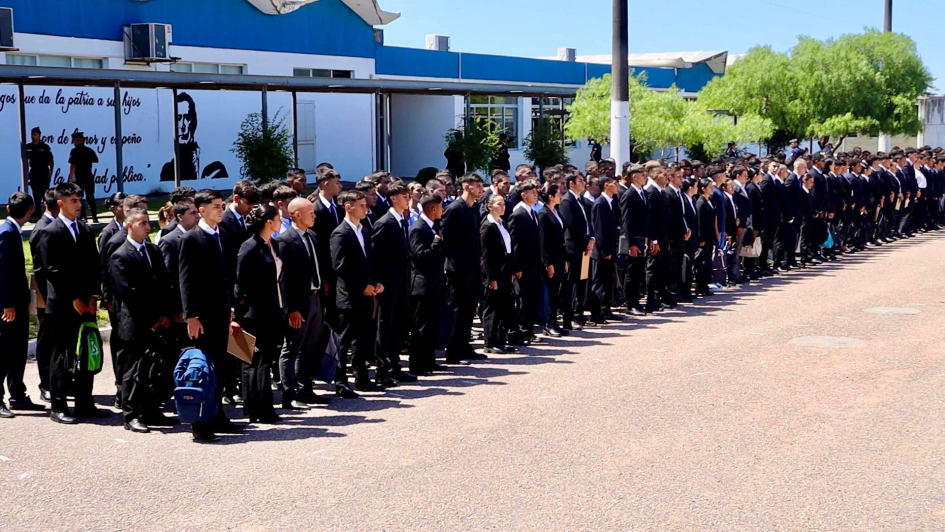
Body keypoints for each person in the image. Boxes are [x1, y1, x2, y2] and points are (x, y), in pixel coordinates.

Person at [179, 189, 242, 442]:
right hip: (202, 315)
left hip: (221, 313)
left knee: (221, 367)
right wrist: (191, 315)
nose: (220, 209)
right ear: (201, 210)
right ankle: (200, 423)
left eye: (221, 204)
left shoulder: (224, 235)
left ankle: (217, 415)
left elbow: (228, 276)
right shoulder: (192, 239)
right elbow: (186, 280)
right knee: (202, 368)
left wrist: (231, 307)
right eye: (215, 206)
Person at [38, 183, 104, 424]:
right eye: (74, 200)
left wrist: (94, 295)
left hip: (86, 304)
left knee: (86, 352)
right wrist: (74, 297)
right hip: (63, 305)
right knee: (60, 355)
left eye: (79, 200)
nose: (79, 204)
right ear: (60, 203)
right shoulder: (51, 232)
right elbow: (52, 270)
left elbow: (94, 266)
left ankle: (85, 402)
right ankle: (58, 406)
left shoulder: (85, 231)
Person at [107, 208, 173, 433]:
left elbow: (164, 283)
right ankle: (132, 414)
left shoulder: (152, 251)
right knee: (134, 370)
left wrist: (163, 313)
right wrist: (150, 319)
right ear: (129, 225)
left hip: (156, 319)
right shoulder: (120, 255)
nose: (148, 227)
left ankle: (151, 409)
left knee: (155, 368)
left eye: (148, 222)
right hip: (136, 322)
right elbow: (129, 293)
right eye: (143, 223)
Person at [275, 198, 330, 409]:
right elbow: (284, 280)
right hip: (299, 303)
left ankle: (306, 388)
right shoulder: (285, 241)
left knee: (310, 347)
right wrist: (291, 310)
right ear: (296, 214)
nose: (314, 215)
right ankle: (289, 394)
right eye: (310, 212)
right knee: (291, 348)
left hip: (315, 299)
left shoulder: (312, 236)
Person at [331, 190, 384, 395]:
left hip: (366, 294)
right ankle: (341, 381)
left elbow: (370, 259)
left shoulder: (363, 230)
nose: (366, 208)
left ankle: (361, 378)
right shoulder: (340, 233)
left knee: (362, 339)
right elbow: (341, 267)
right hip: (350, 296)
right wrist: (362, 286)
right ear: (348, 207)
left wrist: (376, 281)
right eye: (360, 205)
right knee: (345, 341)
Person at [234, 204, 284, 424]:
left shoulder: (273, 244)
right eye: (278, 218)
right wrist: (236, 315)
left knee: (264, 360)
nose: (282, 222)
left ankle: (263, 406)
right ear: (268, 222)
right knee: (252, 360)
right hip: (253, 314)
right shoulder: (249, 247)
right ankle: (256, 408)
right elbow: (239, 282)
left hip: (272, 310)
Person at [370, 184, 418, 386]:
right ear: (392, 198)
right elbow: (375, 255)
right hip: (388, 285)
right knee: (385, 327)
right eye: (403, 196)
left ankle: (395, 366)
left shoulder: (402, 221)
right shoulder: (385, 223)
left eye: (408, 196)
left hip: (402, 283)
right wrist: (377, 280)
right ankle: (383, 369)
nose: (407, 199)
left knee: (398, 326)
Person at [218, 180, 259, 405]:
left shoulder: (249, 219)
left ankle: (245, 385)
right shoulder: (225, 221)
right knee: (232, 341)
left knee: (244, 341)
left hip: (248, 286)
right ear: (236, 199)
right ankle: (229, 387)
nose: (251, 208)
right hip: (233, 286)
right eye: (247, 203)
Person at [440, 173, 486, 363]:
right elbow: (445, 236)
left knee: (469, 308)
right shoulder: (455, 208)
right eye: (477, 185)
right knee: (457, 309)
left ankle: (465, 346)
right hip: (457, 267)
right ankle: (453, 350)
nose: (481, 189)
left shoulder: (474, 207)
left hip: (472, 266)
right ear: (467, 187)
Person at [0, 193, 35, 418]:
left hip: (17, 303)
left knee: (18, 351)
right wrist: (7, 304)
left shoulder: (13, 230)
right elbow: (2, 272)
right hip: (9, 306)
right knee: (5, 351)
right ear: (30, 210)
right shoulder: (7, 233)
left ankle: (18, 395)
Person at [408, 193, 447, 376]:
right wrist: (436, 242)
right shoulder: (418, 228)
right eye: (440, 207)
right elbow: (419, 254)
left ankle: (429, 360)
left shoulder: (433, 226)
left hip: (435, 282)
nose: (442, 210)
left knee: (432, 324)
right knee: (421, 326)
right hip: (423, 285)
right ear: (432, 208)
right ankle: (418, 363)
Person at [29, 189, 59, 403]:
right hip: (46, 294)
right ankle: (45, 384)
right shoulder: (43, 228)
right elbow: (41, 268)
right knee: (46, 341)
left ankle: (55, 381)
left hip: (51, 294)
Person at [507, 179, 543, 343]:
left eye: (536, 192)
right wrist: (517, 266)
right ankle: (522, 331)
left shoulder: (532, 212)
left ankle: (529, 330)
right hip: (524, 265)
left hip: (534, 263)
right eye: (532, 192)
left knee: (531, 297)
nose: (536, 195)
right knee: (523, 298)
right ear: (523, 195)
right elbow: (516, 243)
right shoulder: (518, 214)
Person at [479, 194, 515, 354]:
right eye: (499, 204)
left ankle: (501, 340)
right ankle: (490, 341)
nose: (503, 206)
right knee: (492, 307)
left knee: (504, 306)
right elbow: (486, 256)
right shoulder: (487, 226)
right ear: (489, 206)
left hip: (505, 270)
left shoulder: (502, 223)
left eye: (504, 204)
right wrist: (491, 277)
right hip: (494, 272)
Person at [537, 184, 569, 336]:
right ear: (551, 196)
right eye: (558, 194)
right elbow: (543, 241)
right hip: (550, 259)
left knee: (556, 292)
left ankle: (554, 322)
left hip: (559, 257)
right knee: (549, 292)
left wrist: (565, 260)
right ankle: (548, 323)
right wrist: (547, 263)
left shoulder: (556, 211)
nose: (560, 196)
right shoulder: (543, 214)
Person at [589, 176, 619, 323]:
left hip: (610, 248)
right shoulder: (600, 203)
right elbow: (599, 230)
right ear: (606, 185)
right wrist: (604, 251)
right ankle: (596, 312)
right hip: (602, 251)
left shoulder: (611, 202)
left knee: (608, 281)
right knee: (599, 282)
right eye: (615, 184)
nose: (617, 186)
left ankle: (606, 309)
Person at [620, 165, 649, 316]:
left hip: (643, 238)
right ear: (633, 176)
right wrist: (631, 243)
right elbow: (627, 221)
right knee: (632, 271)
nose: (644, 175)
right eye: (641, 173)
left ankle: (636, 300)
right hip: (634, 239)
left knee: (639, 271)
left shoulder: (643, 193)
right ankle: (630, 303)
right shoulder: (629, 195)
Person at [645, 165, 672, 312]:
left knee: (661, 269)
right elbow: (651, 219)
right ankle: (650, 301)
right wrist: (653, 240)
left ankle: (660, 297)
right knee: (652, 269)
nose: (667, 177)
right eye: (663, 174)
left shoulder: (661, 191)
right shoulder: (651, 192)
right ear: (655, 176)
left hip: (663, 238)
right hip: (655, 239)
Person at [67, 131, 99, 223]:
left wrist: (71, 178)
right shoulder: (89, 150)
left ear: (78, 140)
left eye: (74, 140)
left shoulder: (74, 151)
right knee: (90, 197)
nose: (74, 142)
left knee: (79, 197)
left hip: (79, 178)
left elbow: (73, 165)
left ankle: (83, 217)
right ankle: (94, 216)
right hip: (88, 176)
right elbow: (95, 160)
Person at [694, 178, 718, 297]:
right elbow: (699, 222)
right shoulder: (700, 202)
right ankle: (700, 286)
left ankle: (705, 285)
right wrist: (701, 238)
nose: (712, 189)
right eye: (709, 187)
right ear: (703, 189)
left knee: (708, 261)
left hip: (710, 235)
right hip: (704, 237)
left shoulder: (710, 201)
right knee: (702, 262)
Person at [25, 127, 54, 213]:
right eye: (32, 134)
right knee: (35, 192)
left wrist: (51, 171)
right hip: (34, 172)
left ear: (39, 135)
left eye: (35, 134)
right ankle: (37, 210)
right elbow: (25, 160)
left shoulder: (45, 147)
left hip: (44, 171)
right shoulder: (28, 147)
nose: (33, 136)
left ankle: (46, 210)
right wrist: (26, 173)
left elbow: (51, 160)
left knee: (44, 192)